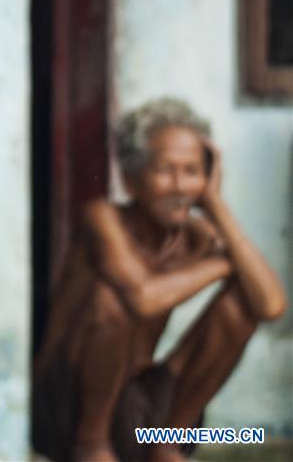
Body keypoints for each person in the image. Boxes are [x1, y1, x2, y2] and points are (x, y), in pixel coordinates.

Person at [32, 97, 287, 462]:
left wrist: (215, 206)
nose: (180, 186)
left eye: (192, 171)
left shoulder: (196, 236)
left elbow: (271, 305)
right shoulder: (102, 219)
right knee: (112, 299)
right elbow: (141, 299)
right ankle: (92, 445)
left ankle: (167, 444)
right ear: (131, 180)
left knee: (241, 305)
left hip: (137, 411)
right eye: (165, 170)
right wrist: (223, 264)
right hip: (64, 411)